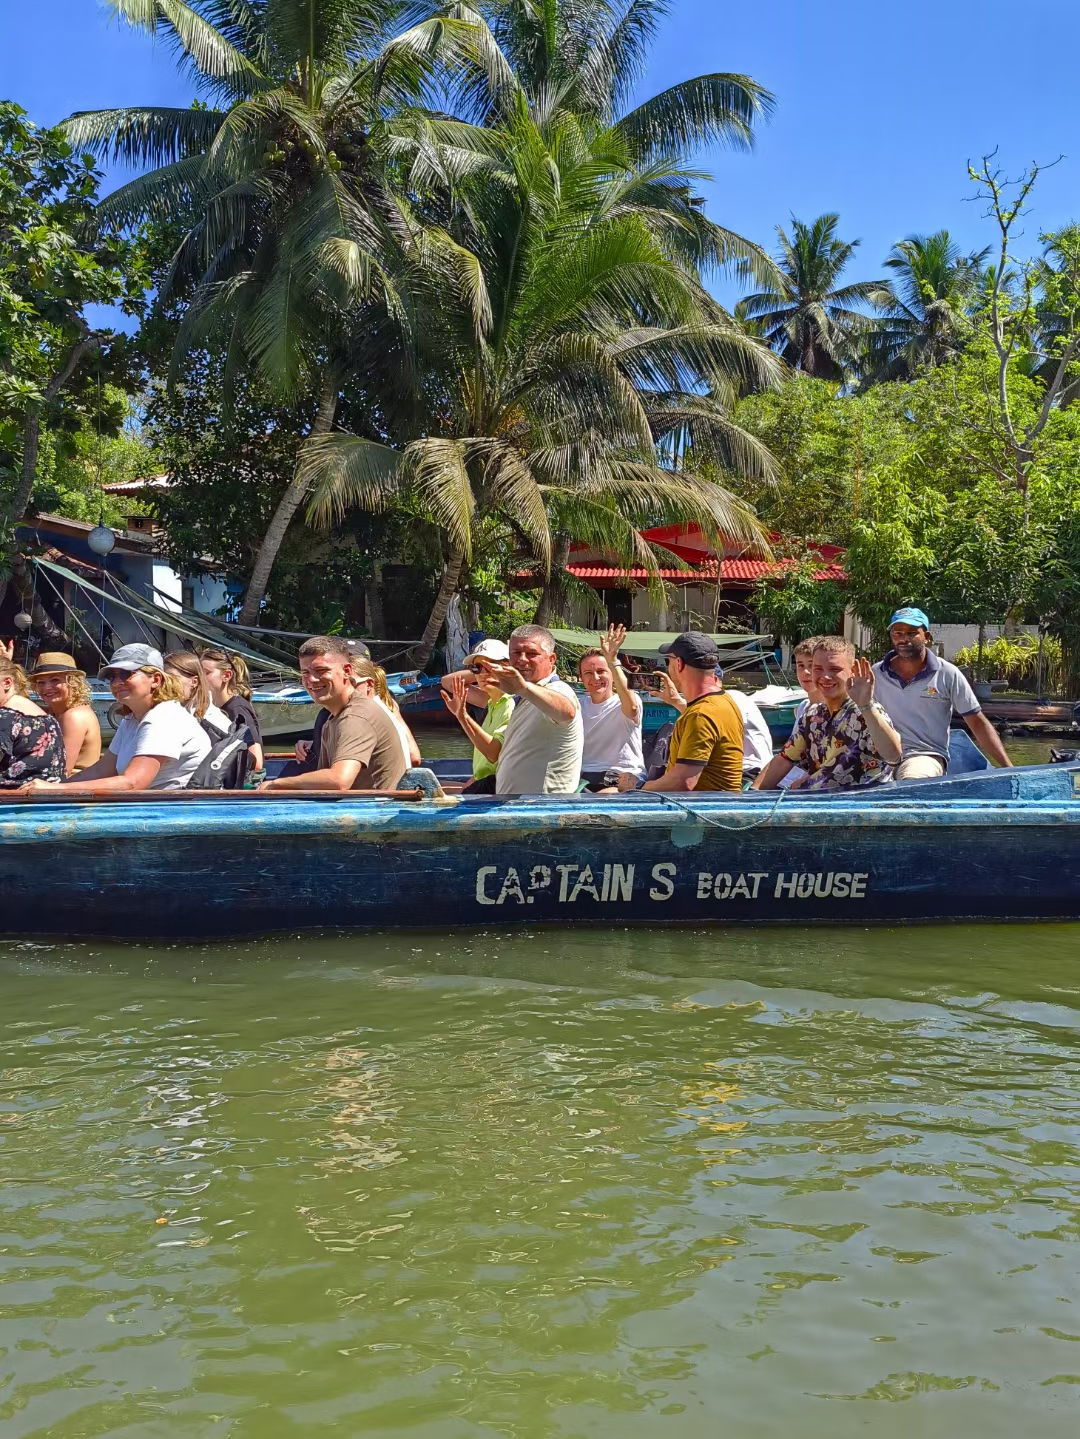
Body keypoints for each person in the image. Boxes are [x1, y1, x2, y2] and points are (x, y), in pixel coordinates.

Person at [20, 644, 210, 793]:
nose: (117, 682)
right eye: (112, 677)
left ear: (156, 680)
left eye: (126, 674)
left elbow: (133, 782)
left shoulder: (164, 718)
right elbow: (102, 769)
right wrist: (54, 787)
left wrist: (55, 789)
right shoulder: (131, 719)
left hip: (172, 815)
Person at [873, 607, 1013, 779]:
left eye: (912, 633)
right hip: (879, 756)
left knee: (913, 781)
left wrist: (1009, 769)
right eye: (898, 633)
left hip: (923, 755)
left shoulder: (947, 673)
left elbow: (977, 722)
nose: (904, 639)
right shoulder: (875, 674)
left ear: (926, 636)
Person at [755, 637, 902, 792]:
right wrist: (752, 794)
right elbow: (784, 759)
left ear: (852, 671)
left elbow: (894, 756)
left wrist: (866, 706)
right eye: (818, 669)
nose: (825, 676)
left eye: (835, 669)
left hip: (859, 800)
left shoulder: (865, 711)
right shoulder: (812, 715)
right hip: (816, 799)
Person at [261, 636, 406, 792]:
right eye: (305, 673)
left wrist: (275, 784)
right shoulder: (334, 716)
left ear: (347, 671)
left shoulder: (356, 717)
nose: (311, 679)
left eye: (321, 670)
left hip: (372, 806)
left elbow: (339, 780)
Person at [622, 632, 743, 793]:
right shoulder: (724, 701)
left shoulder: (700, 715)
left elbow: (682, 783)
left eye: (669, 660)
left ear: (679, 664)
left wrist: (636, 787)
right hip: (724, 803)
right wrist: (676, 701)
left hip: (701, 806)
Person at [479, 625, 583, 795]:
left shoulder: (557, 689)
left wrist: (524, 688)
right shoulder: (524, 696)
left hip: (544, 806)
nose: (522, 660)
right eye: (515, 653)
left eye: (531, 653)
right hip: (517, 805)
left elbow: (567, 712)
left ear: (551, 659)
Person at [440, 638, 515, 794]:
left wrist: (463, 716)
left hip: (494, 787)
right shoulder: (490, 702)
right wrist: (483, 673)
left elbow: (493, 754)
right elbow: (447, 682)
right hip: (483, 781)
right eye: (477, 668)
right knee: (433, 786)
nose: (483, 673)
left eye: (490, 665)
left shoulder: (511, 704)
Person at [577, 624, 645, 790]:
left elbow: (632, 709)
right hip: (584, 779)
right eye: (588, 673)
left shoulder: (626, 700)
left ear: (612, 674)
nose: (595, 678)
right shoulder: (577, 705)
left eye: (601, 671)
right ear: (581, 678)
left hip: (622, 777)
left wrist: (613, 661)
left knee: (604, 798)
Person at [30, 652, 102, 775]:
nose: (47, 687)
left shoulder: (73, 717)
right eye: (41, 682)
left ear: (73, 682)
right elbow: (18, 702)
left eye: (55, 680)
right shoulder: (55, 712)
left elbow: (60, 771)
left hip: (72, 784)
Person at [0, 654, 66, 787]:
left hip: (15, 795)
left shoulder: (5, 717)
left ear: (7, 683)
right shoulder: (46, 717)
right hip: (49, 794)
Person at [199, 649, 264, 775]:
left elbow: (257, 762)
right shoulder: (215, 709)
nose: (200, 679)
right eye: (198, 673)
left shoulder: (237, 709)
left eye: (206, 673)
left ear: (226, 676)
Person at [779, 636, 825, 790]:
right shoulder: (802, 707)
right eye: (800, 665)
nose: (805, 672)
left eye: (811, 665)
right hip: (789, 779)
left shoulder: (829, 710)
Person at [165, 651, 231, 737]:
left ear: (194, 682)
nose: (165, 683)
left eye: (172, 678)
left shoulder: (213, 723)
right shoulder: (170, 711)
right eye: (163, 677)